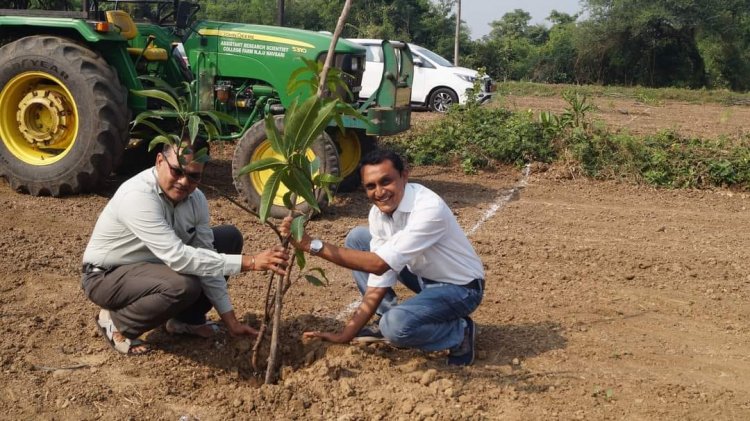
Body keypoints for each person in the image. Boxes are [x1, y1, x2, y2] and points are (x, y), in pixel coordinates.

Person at [81, 139, 289, 355]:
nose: (183, 181)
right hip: (106, 276)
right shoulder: (138, 196)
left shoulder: (196, 199)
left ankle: (185, 321)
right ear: (159, 161)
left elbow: (208, 257)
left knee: (227, 239)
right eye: (177, 171)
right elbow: (179, 258)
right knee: (182, 285)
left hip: (153, 267)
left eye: (193, 176)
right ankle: (117, 322)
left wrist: (231, 322)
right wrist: (251, 262)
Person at [280, 149, 484, 365]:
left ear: (404, 176)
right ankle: (388, 317)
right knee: (359, 239)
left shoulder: (428, 208)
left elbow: (377, 265)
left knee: (395, 326)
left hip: (461, 288)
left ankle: (458, 333)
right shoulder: (378, 213)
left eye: (386, 181)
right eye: (370, 186)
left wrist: (312, 245)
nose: (379, 192)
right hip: (423, 277)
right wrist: (346, 335)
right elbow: (379, 280)